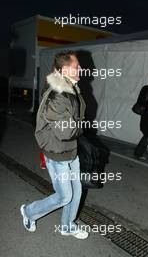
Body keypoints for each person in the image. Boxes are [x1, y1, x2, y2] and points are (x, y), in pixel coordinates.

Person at [20, 50, 88, 239]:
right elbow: (66, 131)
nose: (81, 68)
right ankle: (29, 212)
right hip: (57, 151)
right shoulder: (59, 95)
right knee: (65, 195)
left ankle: (67, 226)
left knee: (77, 190)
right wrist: (84, 126)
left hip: (69, 148)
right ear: (65, 69)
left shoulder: (70, 87)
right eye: (77, 66)